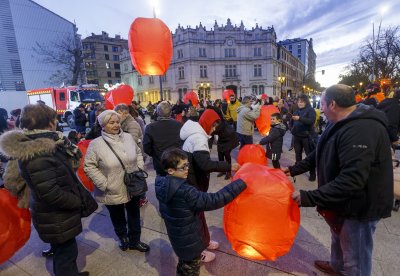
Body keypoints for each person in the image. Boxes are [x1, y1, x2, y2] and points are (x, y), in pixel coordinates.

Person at [287, 84, 393, 276]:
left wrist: (309, 197)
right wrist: (293, 170)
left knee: (356, 256)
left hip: (360, 206)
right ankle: (337, 267)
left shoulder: (361, 129)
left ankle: (349, 270)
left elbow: (351, 180)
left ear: (333, 104)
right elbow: (319, 151)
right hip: (341, 201)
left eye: (323, 105)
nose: (321, 110)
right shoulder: (337, 120)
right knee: (338, 236)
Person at [0, 104, 92, 276]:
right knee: (66, 253)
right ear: (50, 123)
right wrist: (76, 201)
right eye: (55, 119)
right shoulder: (39, 152)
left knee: (63, 251)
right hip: (56, 212)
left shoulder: (46, 144)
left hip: (53, 212)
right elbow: (51, 192)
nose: (57, 122)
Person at [155, 148, 247, 274]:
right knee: (191, 269)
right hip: (190, 242)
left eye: (188, 164)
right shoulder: (185, 191)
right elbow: (214, 200)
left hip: (178, 238)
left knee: (184, 264)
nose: (187, 169)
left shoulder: (160, 183)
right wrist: (240, 184)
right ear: (170, 170)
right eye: (183, 167)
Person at [84, 110, 150, 253]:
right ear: (103, 125)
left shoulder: (127, 137)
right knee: (117, 215)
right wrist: (104, 184)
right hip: (112, 187)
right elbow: (89, 166)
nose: (115, 125)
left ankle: (135, 240)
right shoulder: (96, 144)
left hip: (133, 184)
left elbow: (138, 152)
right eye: (111, 122)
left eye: (117, 122)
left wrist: (138, 168)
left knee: (134, 213)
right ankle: (123, 237)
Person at [180, 109, 240, 261]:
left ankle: (204, 241)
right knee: (194, 219)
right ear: (207, 123)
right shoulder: (199, 138)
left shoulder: (196, 134)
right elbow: (205, 164)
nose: (214, 130)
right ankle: (198, 251)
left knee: (199, 216)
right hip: (193, 183)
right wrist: (228, 166)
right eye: (213, 126)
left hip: (194, 181)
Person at [291, 94, 316, 181]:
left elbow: (311, 121)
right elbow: (291, 122)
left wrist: (300, 118)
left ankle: (312, 174)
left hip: (307, 137)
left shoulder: (310, 110)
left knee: (309, 156)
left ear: (306, 102)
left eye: (301, 102)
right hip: (297, 137)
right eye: (298, 102)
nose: (300, 103)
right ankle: (298, 170)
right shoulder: (297, 111)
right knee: (298, 154)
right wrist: (292, 129)